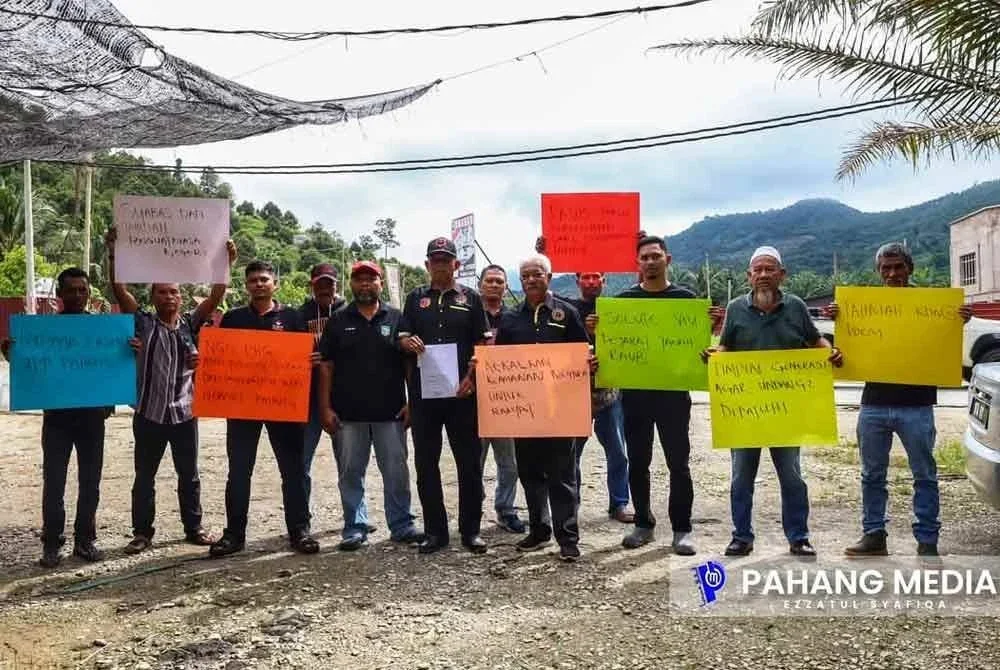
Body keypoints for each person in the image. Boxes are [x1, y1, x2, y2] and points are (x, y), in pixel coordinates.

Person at [825, 243, 972, 558]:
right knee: (871, 475)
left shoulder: (936, 307)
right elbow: (843, 354)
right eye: (885, 268)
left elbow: (945, 344)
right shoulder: (862, 307)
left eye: (898, 267)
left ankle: (927, 541)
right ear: (878, 272)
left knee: (924, 474)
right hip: (874, 403)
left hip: (917, 406)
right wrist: (840, 320)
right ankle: (874, 535)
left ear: (910, 269)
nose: (892, 273)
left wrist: (958, 321)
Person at [703, 245, 843, 557]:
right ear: (748, 276)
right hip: (745, 411)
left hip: (787, 411)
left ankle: (799, 537)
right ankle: (741, 536)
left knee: (792, 477)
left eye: (770, 269)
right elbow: (725, 347)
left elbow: (814, 340)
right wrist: (715, 357)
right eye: (758, 270)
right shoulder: (737, 308)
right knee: (741, 478)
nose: (764, 275)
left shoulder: (796, 307)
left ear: (782, 274)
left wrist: (828, 351)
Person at [105, 228, 236, 554]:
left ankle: (193, 528)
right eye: (162, 292)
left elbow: (216, 296)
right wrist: (113, 252)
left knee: (189, 476)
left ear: (181, 297)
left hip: (184, 412)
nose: (169, 297)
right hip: (148, 412)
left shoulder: (192, 324)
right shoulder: (142, 324)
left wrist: (226, 262)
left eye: (174, 292)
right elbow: (118, 289)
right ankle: (142, 533)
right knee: (144, 476)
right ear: (153, 297)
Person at [1, 267, 139, 568]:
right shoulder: (44, 333)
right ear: (60, 294)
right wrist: (13, 355)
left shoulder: (106, 332)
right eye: (71, 290)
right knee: (54, 483)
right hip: (58, 421)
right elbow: (31, 369)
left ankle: (85, 541)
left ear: (88, 293)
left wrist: (131, 352)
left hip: (92, 419)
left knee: (90, 482)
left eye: (82, 289)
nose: (77, 294)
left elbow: (119, 367)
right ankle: (51, 544)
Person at [588, 236, 699, 555]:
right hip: (635, 397)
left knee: (679, 463)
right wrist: (600, 335)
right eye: (644, 258)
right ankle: (644, 524)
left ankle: (682, 529)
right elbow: (611, 351)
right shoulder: (624, 302)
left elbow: (696, 349)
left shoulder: (686, 300)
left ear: (668, 259)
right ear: (638, 263)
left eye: (655, 256)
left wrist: (708, 335)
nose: (650, 262)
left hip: (674, 396)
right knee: (638, 462)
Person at [209, 260, 320, 558]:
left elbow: (307, 358)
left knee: (293, 470)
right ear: (246, 285)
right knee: (239, 471)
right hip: (243, 406)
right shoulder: (233, 319)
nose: (259, 284)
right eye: (253, 280)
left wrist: (311, 360)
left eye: (264, 279)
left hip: (282, 406)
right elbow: (218, 356)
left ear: (275, 284)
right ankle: (234, 535)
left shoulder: (293, 318)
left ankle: (300, 530)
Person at [494, 254, 596, 561]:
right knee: (529, 472)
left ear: (549, 277)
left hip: (561, 409)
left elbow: (583, 350)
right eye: (525, 276)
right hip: (524, 412)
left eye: (536, 274)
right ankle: (539, 529)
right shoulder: (511, 319)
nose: (530, 280)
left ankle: (567, 538)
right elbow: (500, 364)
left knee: (563, 475)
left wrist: (590, 362)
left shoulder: (568, 312)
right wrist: (484, 367)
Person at [317, 260, 423, 550]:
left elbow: (410, 363)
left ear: (380, 283)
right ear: (351, 284)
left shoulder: (397, 317)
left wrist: (413, 401)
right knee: (350, 473)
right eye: (359, 279)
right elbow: (326, 366)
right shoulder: (339, 320)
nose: (365, 284)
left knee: (396, 471)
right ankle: (355, 526)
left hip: (391, 412)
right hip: (348, 415)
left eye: (371, 279)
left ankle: (401, 524)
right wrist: (324, 408)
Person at [534, 236, 634, 523]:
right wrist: (545, 254)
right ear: (577, 280)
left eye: (596, 276)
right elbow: (543, 287)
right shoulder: (566, 308)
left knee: (618, 451)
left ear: (604, 279)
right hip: (573, 393)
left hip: (609, 393)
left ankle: (619, 503)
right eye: (585, 277)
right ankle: (570, 505)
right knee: (570, 455)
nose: (591, 281)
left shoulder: (618, 309)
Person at [399, 237, 489, 554]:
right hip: (425, 396)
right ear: (427, 264)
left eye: (445, 259)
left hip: (462, 395)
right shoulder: (414, 299)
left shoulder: (472, 299)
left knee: (469, 464)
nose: (439, 264)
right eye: (434, 259)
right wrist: (406, 342)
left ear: (456, 264)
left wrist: (471, 377)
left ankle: (471, 531)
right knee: (426, 464)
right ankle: (436, 532)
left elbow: (484, 344)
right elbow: (402, 336)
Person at [478, 264, 525, 534]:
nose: (494, 285)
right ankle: (473, 509)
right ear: (481, 284)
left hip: (508, 400)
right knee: (475, 461)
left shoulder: (514, 317)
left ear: (506, 286)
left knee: (510, 462)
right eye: (490, 280)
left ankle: (506, 510)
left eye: (499, 281)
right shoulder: (471, 314)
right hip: (476, 399)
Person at [300, 263, 347, 531]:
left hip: (341, 399)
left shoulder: (348, 313)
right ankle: (301, 518)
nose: (324, 289)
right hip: (305, 401)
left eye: (329, 284)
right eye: (319, 284)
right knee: (301, 462)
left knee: (349, 462)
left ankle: (355, 516)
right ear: (311, 285)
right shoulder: (299, 315)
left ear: (336, 285)